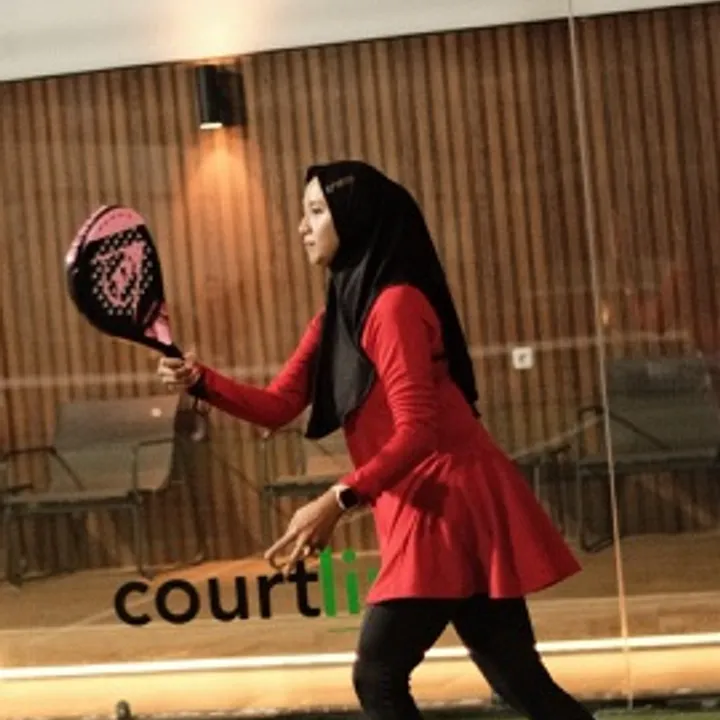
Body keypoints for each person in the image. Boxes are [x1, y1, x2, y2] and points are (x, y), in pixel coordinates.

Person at [157, 160, 595, 720]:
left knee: (379, 675)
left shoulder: (394, 306)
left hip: (450, 502)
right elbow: (279, 404)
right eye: (304, 212)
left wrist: (337, 499)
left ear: (355, 219)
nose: (302, 227)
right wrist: (199, 381)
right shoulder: (338, 316)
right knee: (519, 681)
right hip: (434, 500)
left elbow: (418, 431)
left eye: (317, 211)